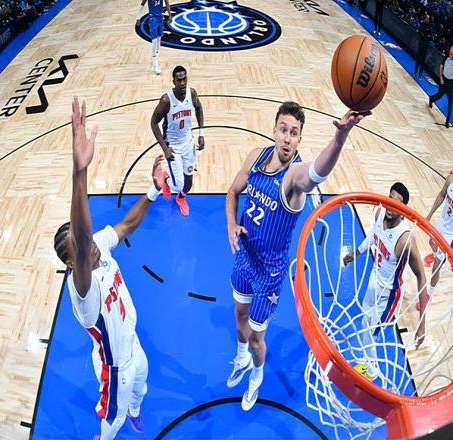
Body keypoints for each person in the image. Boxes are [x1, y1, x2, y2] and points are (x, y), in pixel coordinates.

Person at [226, 101, 370, 411]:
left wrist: (341, 137)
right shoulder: (256, 157)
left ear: (299, 139)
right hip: (244, 258)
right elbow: (232, 192)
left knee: (256, 338)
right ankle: (240, 357)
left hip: (269, 273)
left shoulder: (294, 177)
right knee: (238, 317)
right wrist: (230, 225)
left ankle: (256, 374)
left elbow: (317, 172)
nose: (287, 138)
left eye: (294, 133)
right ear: (274, 131)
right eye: (284, 130)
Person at [53, 97, 165, 440]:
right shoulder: (82, 290)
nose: (88, 242)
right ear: (71, 263)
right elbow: (82, 231)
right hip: (114, 367)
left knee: (142, 388)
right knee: (111, 422)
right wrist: (80, 172)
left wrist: (153, 190)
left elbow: (127, 225)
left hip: (132, 343)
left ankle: (134, 412)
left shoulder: (97, 246)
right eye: (81, 243)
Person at [343, 183, 428, 381]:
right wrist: (356, 253)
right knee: (365, 320)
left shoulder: (405, 240)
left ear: (403, 208)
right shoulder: (380, 213)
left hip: (389, 294)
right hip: (374, 280)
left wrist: (422, 323)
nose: (391, 206)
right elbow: (373, 236)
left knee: (370, 331)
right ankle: (368, 361)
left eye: (397, 203)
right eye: (390, 198)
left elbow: (421, 277)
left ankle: (372, 370)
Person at [150, 65, 205, 216]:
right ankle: (166, 180)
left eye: (184, 79)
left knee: (188, 183)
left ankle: (181, 198)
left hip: (188, 143)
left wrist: (201, 133)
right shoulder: (166, 100)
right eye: (179, 80)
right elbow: (153, 123)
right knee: (178, 184)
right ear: (173, 81)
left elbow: (199, 109)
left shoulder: (192, 94)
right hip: (173, 147)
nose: (182, 83)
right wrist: (165, 149)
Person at [421, 170, 453, 310]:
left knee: (436, 267)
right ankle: (440, 256)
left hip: (451, 234)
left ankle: (430, 294)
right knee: (431, 242)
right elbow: (441, 195)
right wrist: (430, 214)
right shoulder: (450, 179)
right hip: (443, 223)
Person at [136, 0, 171, 75]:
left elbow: (167, 3)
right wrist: (138, 18)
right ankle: (155, 63)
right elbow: (142, 4)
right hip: (153, 19)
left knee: (159, 40)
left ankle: (155, 60)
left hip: (160, 18)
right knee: (154, 40)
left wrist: (170, 15)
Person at [428, 45, 453, 128]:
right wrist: (441, 77)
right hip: (444, 80)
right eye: (451, 49)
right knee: (439, 95)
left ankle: (447, 121)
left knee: (450, 101)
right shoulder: (446, 58)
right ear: (450, 50)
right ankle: (431, 99)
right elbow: (441, 67)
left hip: (451, 82)